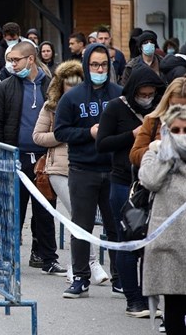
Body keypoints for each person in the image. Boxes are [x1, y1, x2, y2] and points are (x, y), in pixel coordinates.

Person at [0, 41, 66, 275]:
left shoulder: (51, 87)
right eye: (10, 61)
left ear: (30, 59)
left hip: (44, 159)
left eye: (16, 60)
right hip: (15, 157)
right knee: (12, 212)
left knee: (45, 210)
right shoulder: (6, 87)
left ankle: (46, 257)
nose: (12, 65)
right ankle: (7, 259)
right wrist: (0, 155)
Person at [54, 43, 123, 299]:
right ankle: (81, 277)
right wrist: (88, 133)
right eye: (94, 64)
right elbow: (60, 131)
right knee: (81, 226)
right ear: (86, 65)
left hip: (114, 170)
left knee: (116, 225)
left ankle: (120, 277)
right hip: (83, 169)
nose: (99, 69)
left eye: (103, 64)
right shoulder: (71, 98)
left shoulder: (118, 94)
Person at [32, 60, 109, 284]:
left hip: (87, 167)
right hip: (59, 170)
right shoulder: (51, 106)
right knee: (78, 215)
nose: (73, 89)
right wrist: (65, 134)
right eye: (69, 84)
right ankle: (89, 263)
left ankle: (78, 265)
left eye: (77, 84)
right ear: (61, 85)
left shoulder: (93, 105)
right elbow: (37, 136)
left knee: (79, 217)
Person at [96, 67, 165, 317]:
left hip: (153, 185)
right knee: (127, 241)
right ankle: (133, 299)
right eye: (143, 94)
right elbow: (102, 143)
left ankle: (150, 298)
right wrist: (132, 135)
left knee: (151, 243)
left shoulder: (160, 110)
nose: (147, 98)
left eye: (151, 93)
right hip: (125, 185)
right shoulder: (116, 107)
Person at [138, 104, 186, 334]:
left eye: (185, 130)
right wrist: (167, 151)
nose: (181, 136)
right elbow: (150, 180)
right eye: (175, 131)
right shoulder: (155, 153)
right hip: (169, 244)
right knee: (174, 310)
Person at [130, 77, 186, 167]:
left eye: (184, 107)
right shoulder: (153, 120)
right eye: (174, 105)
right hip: (160, 177)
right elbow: (134, 156)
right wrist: (156, 147)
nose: (178, 111)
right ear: (167, 101)